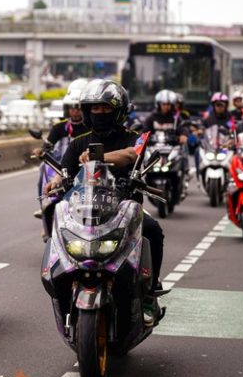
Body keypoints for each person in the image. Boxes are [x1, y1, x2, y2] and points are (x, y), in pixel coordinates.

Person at [44, 79, 165, 326]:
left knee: (153, 230)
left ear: (118, 111)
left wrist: (98, 156)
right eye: (95, 108)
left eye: (106, 108)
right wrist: (54, 182)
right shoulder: (79, 142)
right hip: (84, 212)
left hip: (124, 210)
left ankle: (149, 293)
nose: (100, 113)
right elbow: (65, 170)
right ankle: (62, 292)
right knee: (57, 225)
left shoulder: (134, 137)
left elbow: (131, 155)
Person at [31, 78, 89, 218]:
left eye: (78, 108)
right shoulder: (59, 127)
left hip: (84, 165)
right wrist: (40, 151)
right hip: (59, 166)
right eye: (72, 108)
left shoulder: (91, 128)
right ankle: (44, 203)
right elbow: (47, 146)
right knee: (43, 168)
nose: (75, 112)